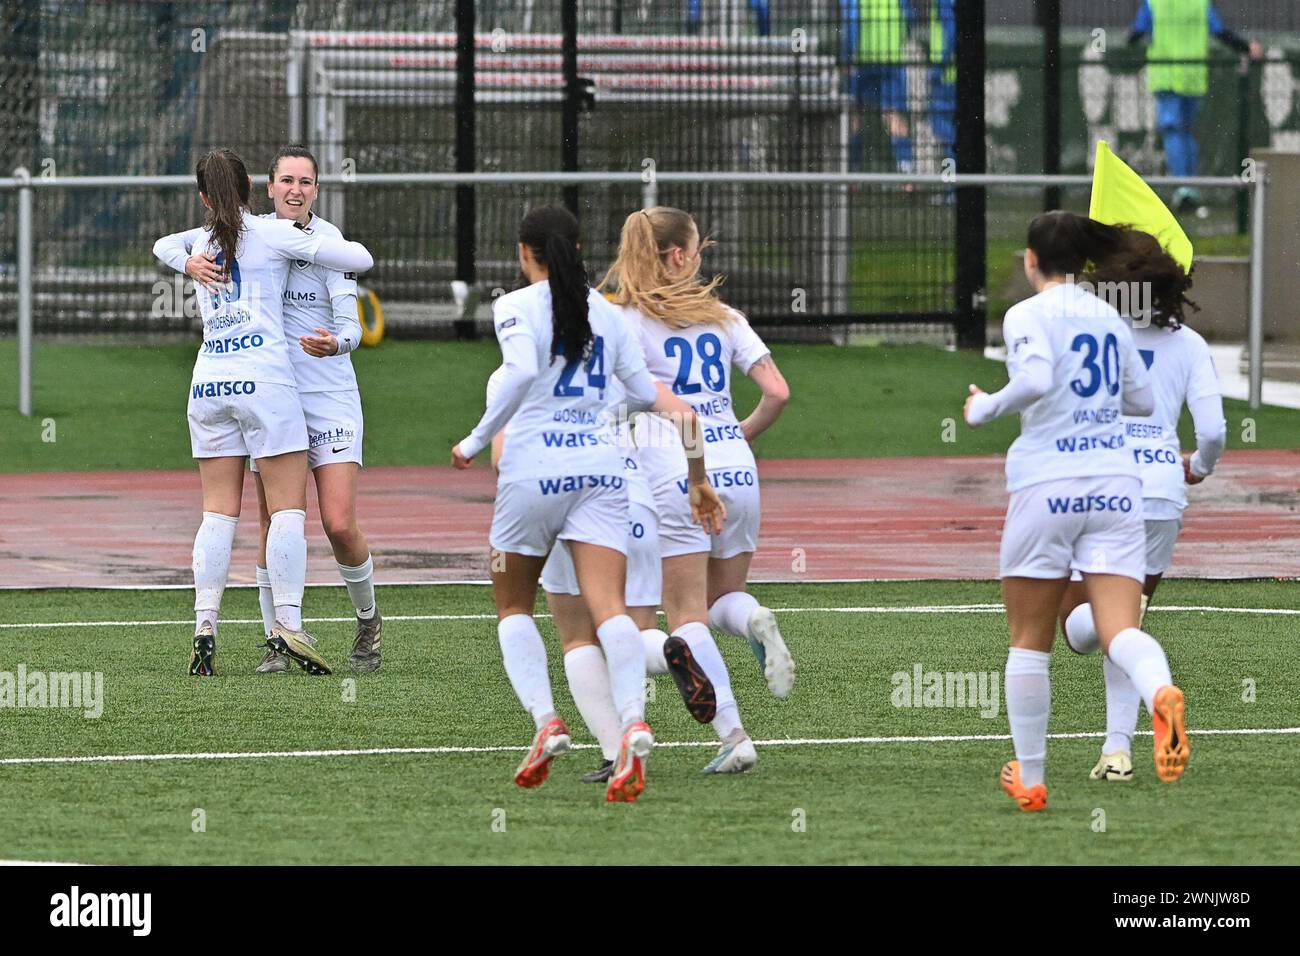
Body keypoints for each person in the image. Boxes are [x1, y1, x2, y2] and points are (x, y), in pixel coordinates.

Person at [451, 204, 726, 803]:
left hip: (534, 471)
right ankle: (632, 724)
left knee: (515, 608)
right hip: (602, 472)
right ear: (577, 250)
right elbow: (638, 394)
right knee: (612, 611)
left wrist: (473, 440)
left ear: (526, 254)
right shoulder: (608, 313)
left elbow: (521, 372)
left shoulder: (515, 307)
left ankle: (548, 723)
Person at [963, 211, 1189, 813]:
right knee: (1121, 628)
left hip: (1048, 484)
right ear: (1083, 261)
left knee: (1030, 640)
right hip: (1117, 487)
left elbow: (1035, 377)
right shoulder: (1110, 317)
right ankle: (1161, 691)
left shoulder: (1025, 314)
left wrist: (986, 408)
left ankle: (1032, 780)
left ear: (1031, 260)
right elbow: (1142, 400)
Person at [156, 145, 384, 674]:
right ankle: (281, 634)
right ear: (265, 187)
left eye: (306, 181)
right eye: (287, 180)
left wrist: (341, 341)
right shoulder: (267, 232)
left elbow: (164, 242)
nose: (296, 189)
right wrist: (186, 259)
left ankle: (210, 624)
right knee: (278, 517)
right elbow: (363, 258)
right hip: (272, 391)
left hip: (290, 392)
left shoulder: (295, 239)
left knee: (331, 521)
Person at [600, 206, 794, 775]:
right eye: (698, 250)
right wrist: (735, 435)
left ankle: (735, 736)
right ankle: (755, 615)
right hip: (738, 468)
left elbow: (617, 409)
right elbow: (778, 392)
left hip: (680, 474)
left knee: (685, 615)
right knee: (720, 600)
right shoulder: (725, 316)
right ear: (681, 257)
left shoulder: (626, 320)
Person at [1057, 230, 1225, 781]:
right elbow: (1215, 431)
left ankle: (1145, 708)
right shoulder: (1191, 345)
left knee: (1080, 627)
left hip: (1101, 488)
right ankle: (1117, 750)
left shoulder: (1095, 336)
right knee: (1123, 623)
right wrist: (1198, 466)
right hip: (1161, 496)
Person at [1128, 0, 1262, 210]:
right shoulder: (1199, 3)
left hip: (1166, 77)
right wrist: (1245, 47)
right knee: (1186, 132)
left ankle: (1183, 187)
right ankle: (1191, 186)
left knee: (1173, 131)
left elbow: (1134, 35)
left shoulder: (1153, 3)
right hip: (1192, 77)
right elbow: (1220, 32)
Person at [841, 0, 916, 174]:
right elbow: (908, 20)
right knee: (893, 113)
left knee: (854, 115)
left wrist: (847, 56)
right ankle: (906, 169)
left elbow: (851, 22)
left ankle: (854, 169)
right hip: (892, 59)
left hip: (863, 60)